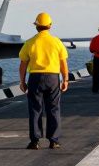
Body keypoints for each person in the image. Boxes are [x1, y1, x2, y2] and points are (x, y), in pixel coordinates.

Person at [18, 11, 70, 150]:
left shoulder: (30, 42)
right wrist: (65, 80)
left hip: (35, 78)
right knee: (53, 108)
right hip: (53, 78)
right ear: (50, 25)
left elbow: (23, 65)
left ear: (36, 26)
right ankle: (54, 141)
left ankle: (35, 141)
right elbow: (63, 63)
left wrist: (22, 82)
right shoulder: (56, 42)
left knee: (35, 109)